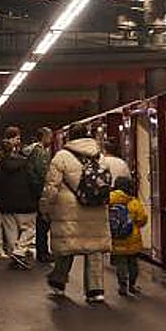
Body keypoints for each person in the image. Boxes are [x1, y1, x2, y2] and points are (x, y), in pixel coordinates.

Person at [39, 123, 112, 303]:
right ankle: (96, 290)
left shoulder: (61, 157)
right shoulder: (99, 156)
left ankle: (58, 282)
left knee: (67, 247)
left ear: (69, 137)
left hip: (68, 212)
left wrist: (45, 208)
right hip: (95, 209)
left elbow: (51, 187)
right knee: (94, 249)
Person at [0, 138, 36, 269]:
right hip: (26, 203)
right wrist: (36, 197)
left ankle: (15, 256)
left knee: (10, 232)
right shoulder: (25, 164)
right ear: (14, 149)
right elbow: (33, 181)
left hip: (6, 205)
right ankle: (19, 251)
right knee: (28, 229)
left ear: (0, 151)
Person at [109, 176, 149, 296]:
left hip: (116, 239)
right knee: (132, 263)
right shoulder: (134, 202)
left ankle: (122, 285)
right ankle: (132, 285)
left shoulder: (109, 201)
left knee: (120, 264)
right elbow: (142, 219)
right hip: (132, 238)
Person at [25, 126, 54, 263]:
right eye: (50, 136)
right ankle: (43, 253)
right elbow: (43, 173)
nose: (52, 139)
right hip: (40, 191)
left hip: (32, 190)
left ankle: (42, 250)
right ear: (43, 136)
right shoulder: (40, 152)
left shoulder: (31, 150)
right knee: (43, 223)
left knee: (39, 223)